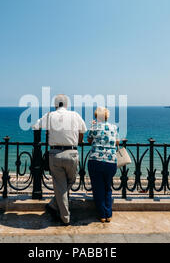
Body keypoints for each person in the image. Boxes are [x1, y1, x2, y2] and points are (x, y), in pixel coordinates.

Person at [33, 94, 87, 225]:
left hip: (55, 154)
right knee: (71, 181)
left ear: (55, 105)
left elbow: (35, 126)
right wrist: (78, 141)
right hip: (72, 153)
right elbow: (83, 130)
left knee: (60, 186)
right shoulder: (75, 115)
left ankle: (55, 205)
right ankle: (65, 217)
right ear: (67, 104)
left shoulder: (50, 115)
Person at [87, 107, 119, 223]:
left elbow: (89, 141)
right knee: (107, 187)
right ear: (106, 116)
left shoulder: (94, 127)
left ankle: (102, 215)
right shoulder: (114, 127)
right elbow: (117, 142)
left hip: (96, 160)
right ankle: (108, 214)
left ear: (96, 116)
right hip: (111, 162)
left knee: (98, 188)